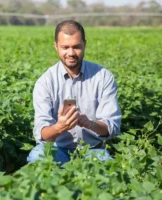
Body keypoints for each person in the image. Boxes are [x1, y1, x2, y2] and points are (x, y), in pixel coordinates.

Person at [27, 20, 122, 164]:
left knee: (107, 174)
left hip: (93, 150)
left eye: (76, 47)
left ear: (85, 44)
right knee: (37, 158)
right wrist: (59, 127)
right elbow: (42, 134)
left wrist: (90, 124)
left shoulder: (103, 77)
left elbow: (111, 128)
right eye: (65, 47)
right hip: (58, 149)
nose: (71, 53)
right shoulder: (45, 82)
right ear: (56, 47)